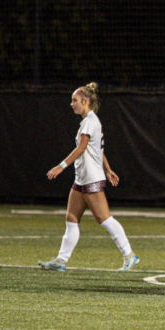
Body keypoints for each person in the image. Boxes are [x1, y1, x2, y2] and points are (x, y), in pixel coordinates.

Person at [38, 83, 138, 271]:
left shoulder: (90, 122)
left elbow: (82, 148)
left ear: (85, 101)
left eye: (74, 101)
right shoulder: (89, 121)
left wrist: (60, 167)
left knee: (104, 218)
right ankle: (61, 260)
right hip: (82, 178)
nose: (72, 104)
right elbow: (98, 150)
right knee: (71, 217)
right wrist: (108, 170)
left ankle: (130, 255)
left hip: (91, 178)